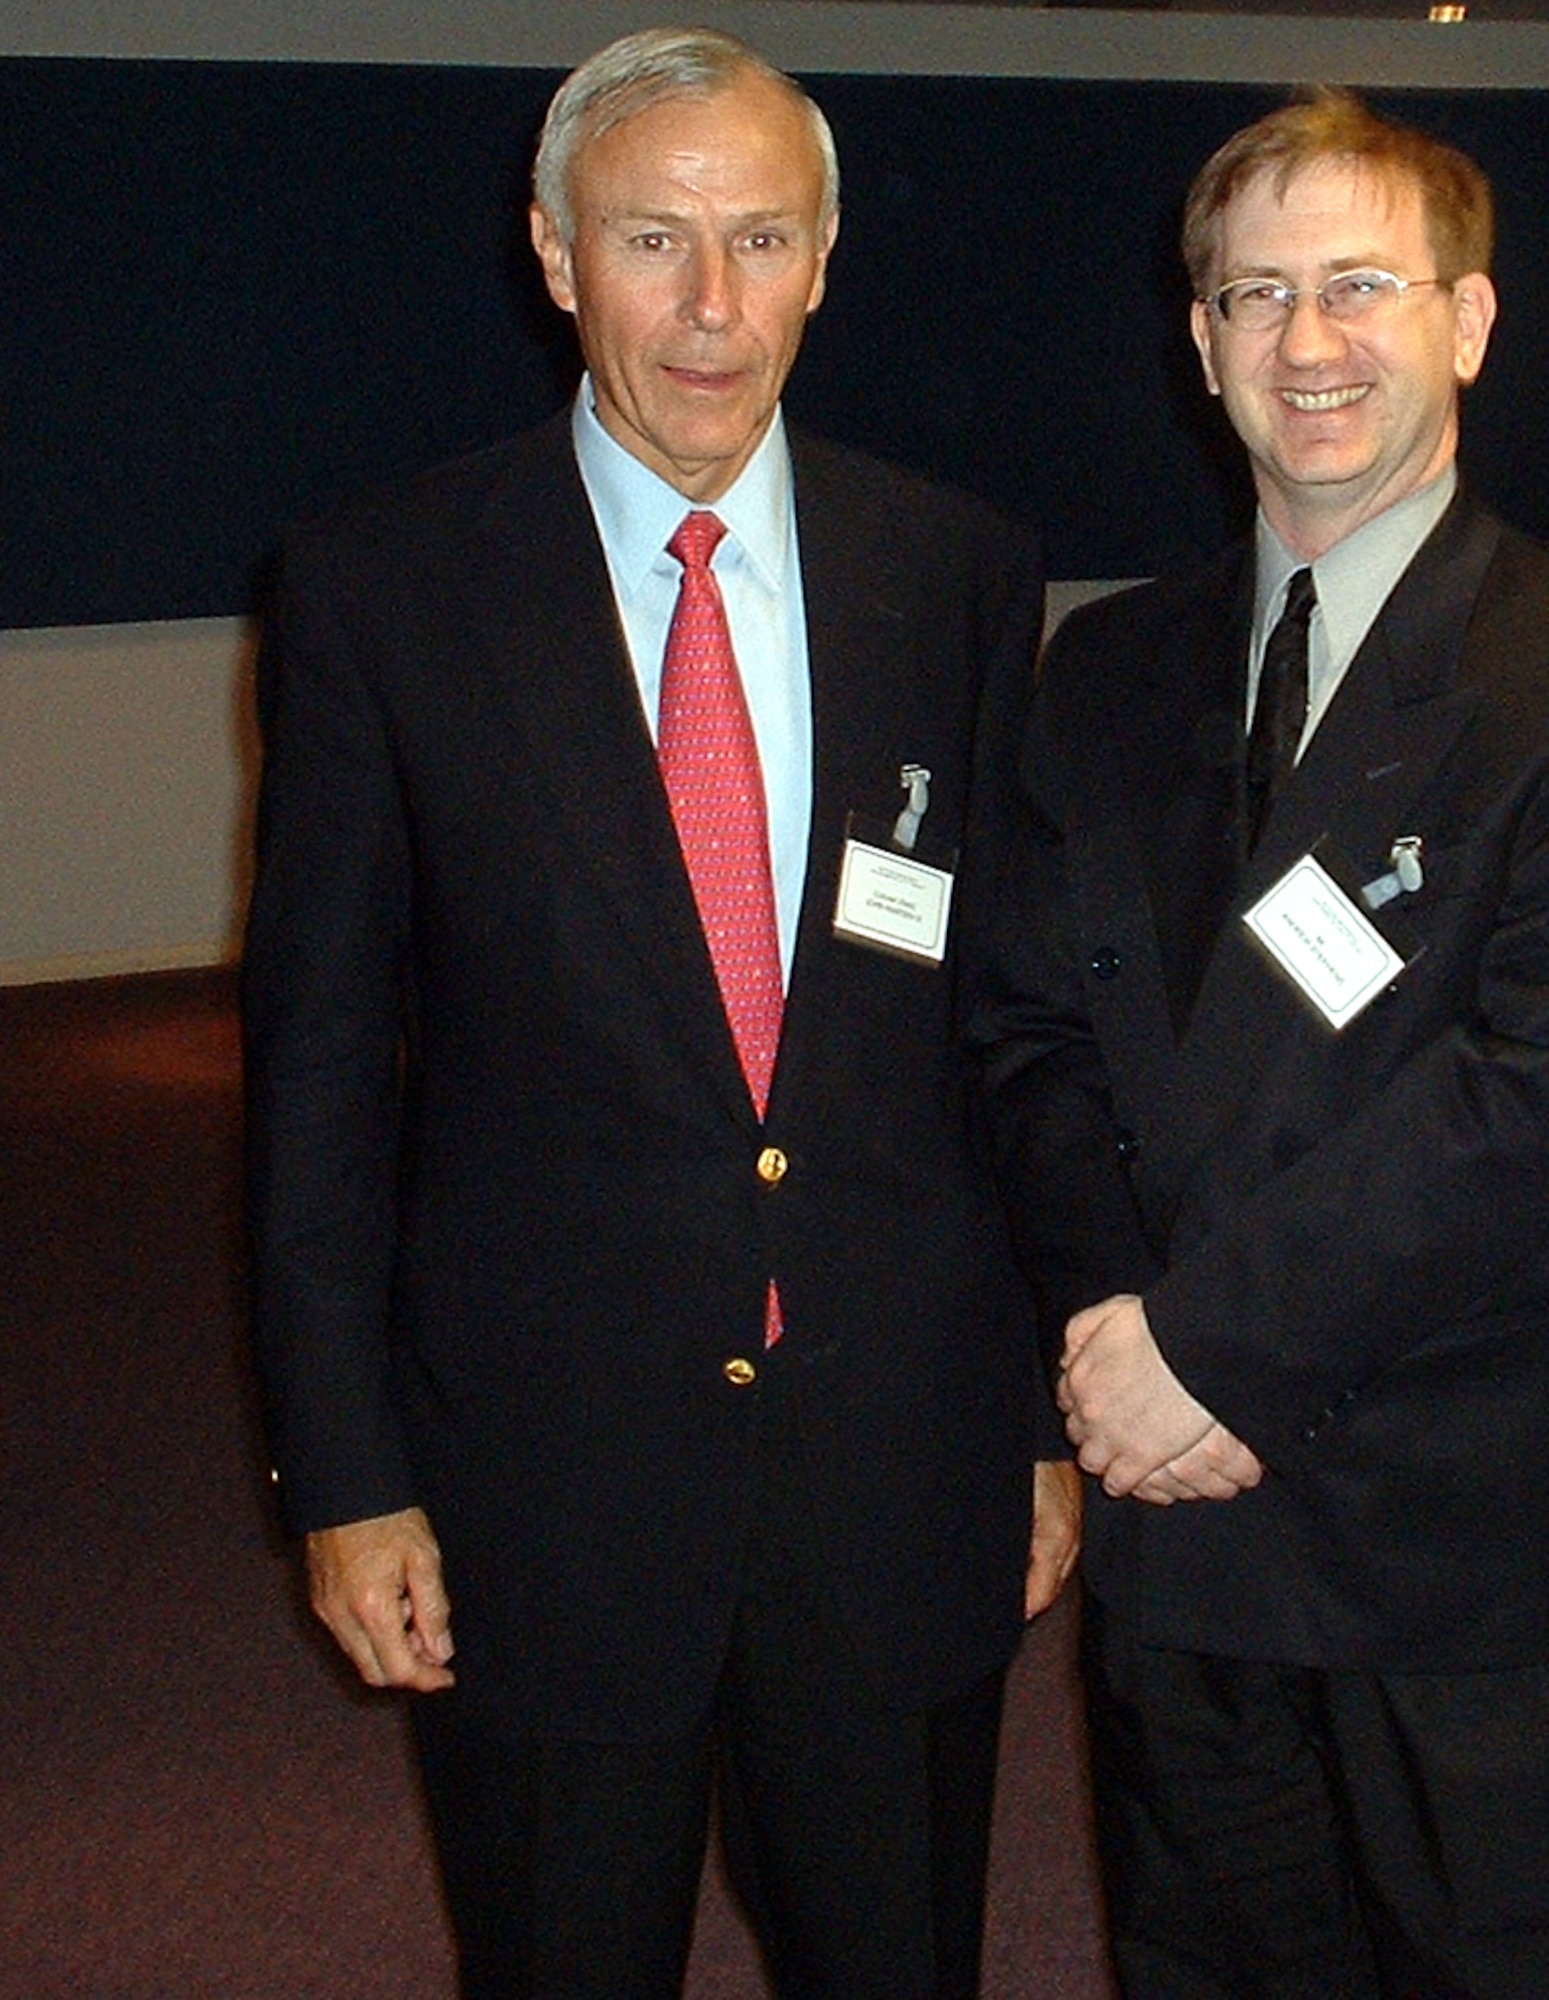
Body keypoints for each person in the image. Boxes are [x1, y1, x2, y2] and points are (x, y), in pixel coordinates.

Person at [243, 27, 1077, 1999]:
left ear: (824, 258)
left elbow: (1007, 1028)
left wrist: (1035, 1412)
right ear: (553, 255)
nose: (711, 306)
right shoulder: (380, 587)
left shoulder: (954, 569)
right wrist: (349, 1471)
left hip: (896, 1471)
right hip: (547, 1487)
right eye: (652, 239)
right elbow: (317, 1071)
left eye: (761, 237)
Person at [973, 89, 1549, 2000]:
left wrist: (1200, 1351)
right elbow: (1029, 1041)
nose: (1309, 342)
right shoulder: (1106, 668)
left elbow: (1538, 1103)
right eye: (1257, 294)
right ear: (1205, 342)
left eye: (1362, 286)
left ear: (1467, 324)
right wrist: (1115, 1343)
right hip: (1184, 1534)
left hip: (1455, 1545)